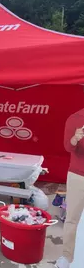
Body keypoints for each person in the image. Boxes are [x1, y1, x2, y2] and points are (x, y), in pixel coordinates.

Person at [55, 109, 84, 268]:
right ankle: (67, 256)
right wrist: (75, 139)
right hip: (78, 175)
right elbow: (67, 146)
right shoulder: (75, 118)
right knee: (72, 218)